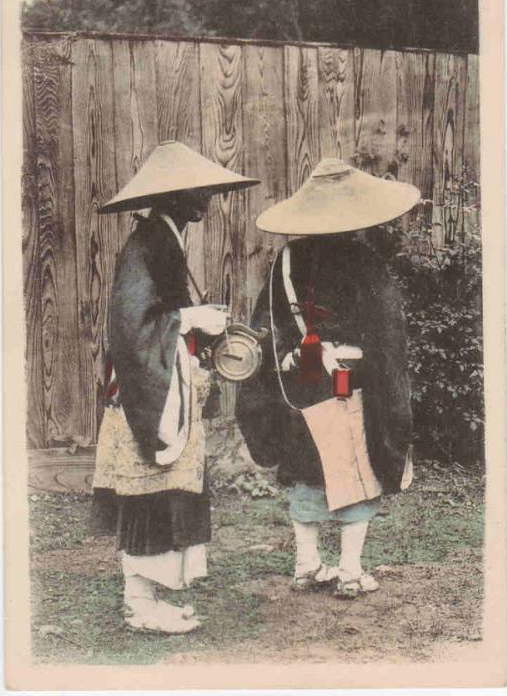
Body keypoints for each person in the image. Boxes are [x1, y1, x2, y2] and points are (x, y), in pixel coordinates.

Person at [90, 141, 259, 633]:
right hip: (150, 393)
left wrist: (195, 324)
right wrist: (189, 317)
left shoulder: (164, 238)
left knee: (167, 491)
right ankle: (139, 605)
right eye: (196, 191)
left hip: (166, 383)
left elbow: (154, 316)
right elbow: (130, 325)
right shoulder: (150, 243)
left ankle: (150, 599)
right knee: (151, 491)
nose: (205, 199)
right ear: (172, 198)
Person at [236, 157, 419, 598]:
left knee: (306, 470)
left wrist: (293, 355)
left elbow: (267, 324)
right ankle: (351, 571)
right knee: (354, 470)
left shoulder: (286, 261)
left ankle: (307, 565)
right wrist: (366, 362)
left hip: (301, 387)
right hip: (347, 385)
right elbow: (387, 334)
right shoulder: (366, 264)